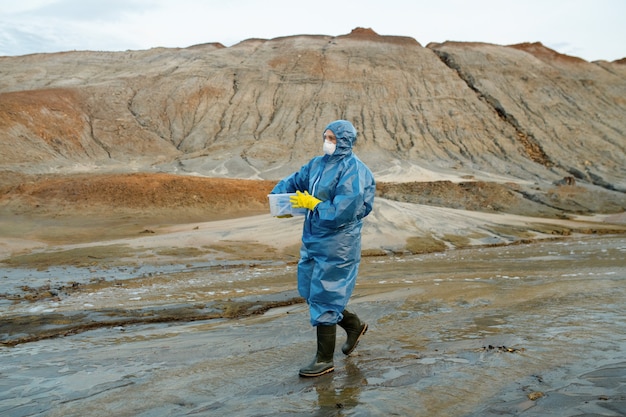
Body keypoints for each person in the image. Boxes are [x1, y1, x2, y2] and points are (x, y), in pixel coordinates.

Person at [270, 119, 376, 377]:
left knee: (326, 294)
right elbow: (295, 180)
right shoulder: (318, 164)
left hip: (339, 243)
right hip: (313, 238)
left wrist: (313, 204)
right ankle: (353, 324)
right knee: (309, 289)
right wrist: (279, 199)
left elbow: (343, 211)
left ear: (344, 141)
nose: (327, 142)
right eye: (325, 136)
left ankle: (324, 359)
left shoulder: (354, 171)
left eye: (332, 138)